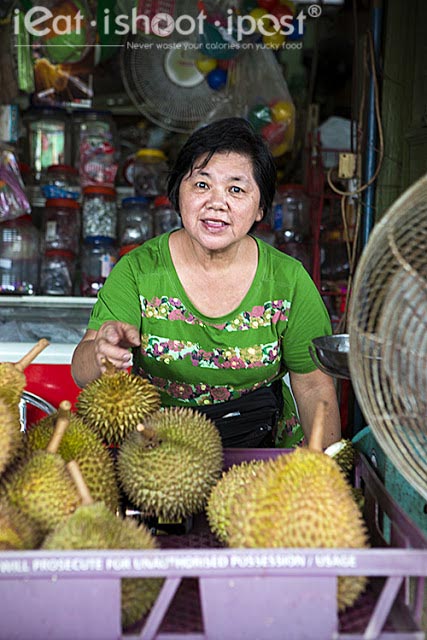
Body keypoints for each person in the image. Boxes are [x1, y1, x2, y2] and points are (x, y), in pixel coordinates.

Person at [72, 117, 341, 449]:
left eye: (236, 189)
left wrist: (325, 473)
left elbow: (314, 385)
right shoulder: (138, 271)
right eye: (201, 185)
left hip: (264, 453)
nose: (217, 202)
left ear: (260, 208)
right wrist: (101, 353)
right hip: (160, 455)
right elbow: (81, 371)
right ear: (178, 193)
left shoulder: (288, 281)